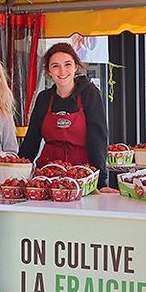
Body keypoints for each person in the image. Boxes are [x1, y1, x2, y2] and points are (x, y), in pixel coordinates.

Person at [19, 43, 117, 192]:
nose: (62, 70)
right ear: (49, 71)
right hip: (47, 176)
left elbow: (97, 138)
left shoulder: (89, 93)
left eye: (67, 64)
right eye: (55, 66)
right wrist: (18, 171)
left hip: (81, 176)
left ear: (76, 67)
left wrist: (101, 182)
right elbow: (32, 139)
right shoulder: (44, 98)